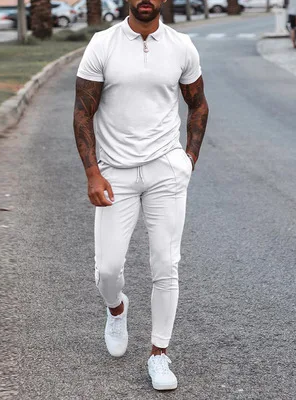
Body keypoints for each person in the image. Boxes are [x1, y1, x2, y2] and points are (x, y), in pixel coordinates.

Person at [73, 0, 209, 391]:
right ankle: (117, 309)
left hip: (166, 170)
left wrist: (189, 159)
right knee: (108, 269)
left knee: (166, 263)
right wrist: (93, 173)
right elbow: (82, 112)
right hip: (115, 172)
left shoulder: (181, 46)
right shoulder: (103, 44)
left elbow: (197, 104)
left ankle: (159, 355)